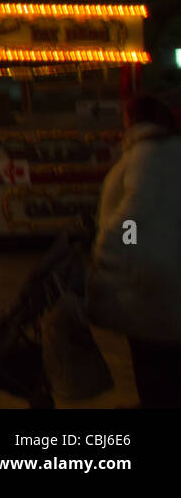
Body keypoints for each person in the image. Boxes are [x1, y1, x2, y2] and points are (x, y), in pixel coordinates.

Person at [86, 94, 181, 407]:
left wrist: (107, 253)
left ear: (133, 120)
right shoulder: (172, 152)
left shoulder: (144, 157)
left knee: (152, 362)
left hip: (150, 280)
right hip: (168, 276)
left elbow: (132, 218)